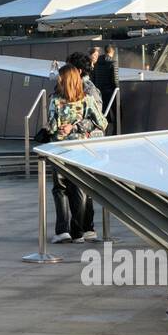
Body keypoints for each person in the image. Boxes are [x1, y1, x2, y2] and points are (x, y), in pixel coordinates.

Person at [47, 65, 108, 244]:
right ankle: (78, 231)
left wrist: (63, 128)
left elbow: (51, 127)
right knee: (79, 189)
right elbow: (102, 123)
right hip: (81, 150)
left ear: (65, 79)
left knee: (60, 189)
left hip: (59, 149)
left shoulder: (55, 100)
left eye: (60, 77)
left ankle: (62, 231)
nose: (58, 79)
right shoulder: (87, 100)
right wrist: (78, 126)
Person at [91, 44, 119, 135]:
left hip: (99, 94)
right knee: (118, 114)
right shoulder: (113, 63)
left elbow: (93, 78)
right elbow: (115, 80)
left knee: (102, 115)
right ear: (112, 51)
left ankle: (103, 134)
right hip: (110, 93)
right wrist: (117, 89)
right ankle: (115, 134)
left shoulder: (97, 63)